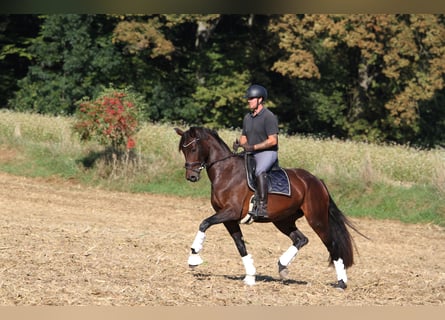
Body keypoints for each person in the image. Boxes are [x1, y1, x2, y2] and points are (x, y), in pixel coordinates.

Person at [235, 84, 279, 219]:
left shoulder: (269, 116)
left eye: (251, 98)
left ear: (260, 99)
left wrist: (253, 148)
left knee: (259, 170)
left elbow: (273, 140)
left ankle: (262, 206)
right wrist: (241, 144)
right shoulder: (247, 117)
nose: (248, 101)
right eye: (248, 99)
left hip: (267, 152)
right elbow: (244, 138)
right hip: (251, 152)